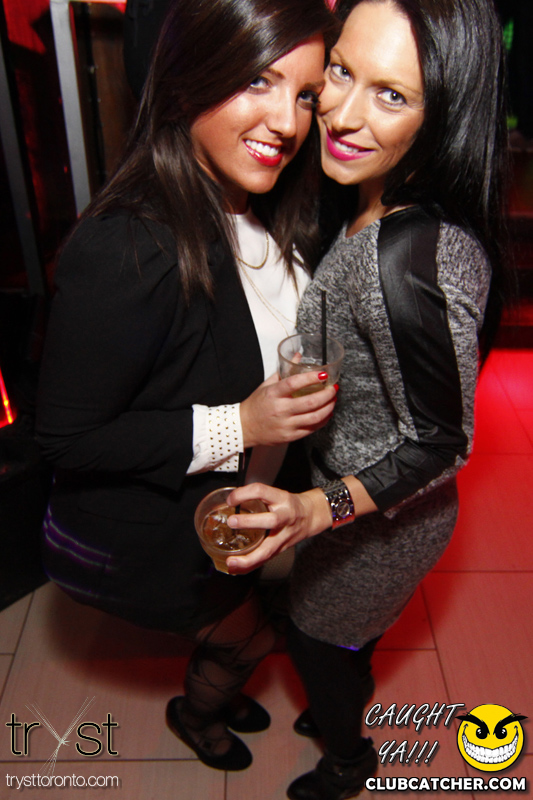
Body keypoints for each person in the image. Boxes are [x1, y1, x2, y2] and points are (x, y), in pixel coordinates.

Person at [35, 0, 336, 774]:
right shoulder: (131, 243)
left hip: (240, 513)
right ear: (187, 78)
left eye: (305, 94)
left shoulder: (266, 209)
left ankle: (221, 687)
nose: (287, 122)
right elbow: (66, 438)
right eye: (257, 80)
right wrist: (241, 424)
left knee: (249, 622)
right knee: (251, 637)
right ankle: (198, 715)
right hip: (166, 530)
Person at [225, 0, 509, 796]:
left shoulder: (405, 262)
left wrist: (318, 510)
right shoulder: (378, 195)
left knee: (313, 638)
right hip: (362, 496)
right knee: (342, 638)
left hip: (382, 520)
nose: (341, 115)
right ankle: (343, 683)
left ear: (443, 110)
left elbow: (440, 445)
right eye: (341, 71)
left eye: (390, 94)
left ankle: (348, 760)